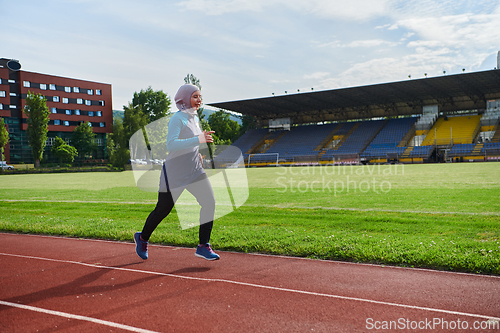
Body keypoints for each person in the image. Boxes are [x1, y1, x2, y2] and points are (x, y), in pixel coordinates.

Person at [134, 84, 220, 261]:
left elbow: (191, 141)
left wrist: (199, 146)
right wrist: (198, 139)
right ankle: (142, 238)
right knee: (163, 210)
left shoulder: (193, 118)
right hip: (174, 172)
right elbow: (171, 144)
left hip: (195, 169)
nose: (199, 100)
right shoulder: (178, 118)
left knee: (209, 202)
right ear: (185, 98)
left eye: (200, 96)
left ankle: (203, 245)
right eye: (195, 96)